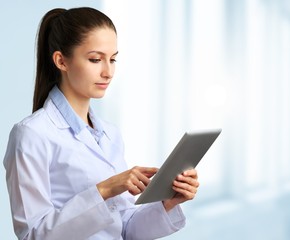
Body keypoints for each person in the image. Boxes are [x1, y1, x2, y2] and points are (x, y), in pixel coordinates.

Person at [3, 7, 199, 240]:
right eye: (95, 59)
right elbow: (33, 235)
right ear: (61, 61)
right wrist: (105, 189)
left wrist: (168, 202)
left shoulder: (109, 134)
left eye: (113, 59)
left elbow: (126, 229)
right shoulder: (32, 134)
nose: (108, 72)